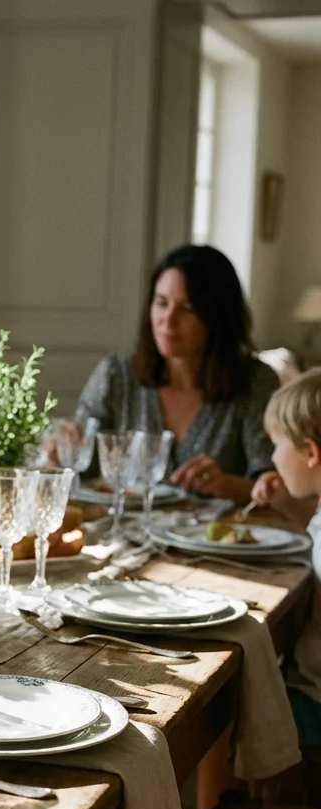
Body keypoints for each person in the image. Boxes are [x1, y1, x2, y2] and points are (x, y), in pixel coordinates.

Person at [68, 244, 279, 502]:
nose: (168, 321)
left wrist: (226, 485)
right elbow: (79, 465)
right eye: (162, 303)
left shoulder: (255, 382)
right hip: (123, 536)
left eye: (187, 308)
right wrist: (61, 451)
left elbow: (275, 487)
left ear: (218, 315)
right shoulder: (116, 376)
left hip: (213, 536)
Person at [251, 369, 321, 747]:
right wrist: (285, 504)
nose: (273, 457)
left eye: (276, 444)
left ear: (310, 452)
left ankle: (233, 803)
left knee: (234, 706)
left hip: (315, 699)